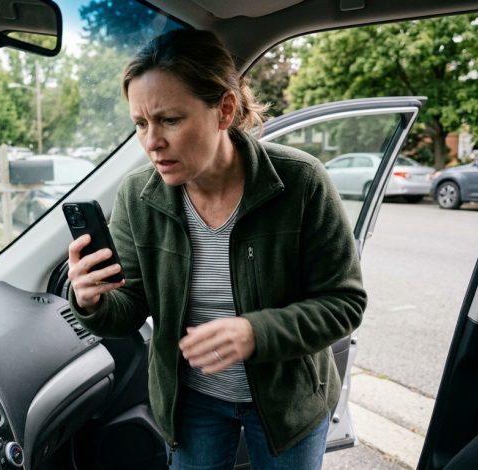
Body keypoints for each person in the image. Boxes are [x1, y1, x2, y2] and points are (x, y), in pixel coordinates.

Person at [67, 29, 366, 470]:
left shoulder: (301, 181)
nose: (151, 142)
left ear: (224, 109)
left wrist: (255, 332)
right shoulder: (137, 195)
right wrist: (91, 300)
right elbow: (128, 310)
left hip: (289, 400)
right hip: (192, 402)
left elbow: (344, 302)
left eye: (170, 120)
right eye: (141, 124)